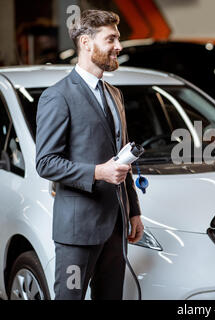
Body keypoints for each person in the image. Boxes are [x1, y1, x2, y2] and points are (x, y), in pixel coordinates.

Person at [35, 10, 144, 300]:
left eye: (118, 39)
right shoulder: (57, 96)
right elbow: (45, 162)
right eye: (111, 39)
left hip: (116, 225)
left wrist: (133, 210)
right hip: (78, 231)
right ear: (86, 43)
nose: (118, 46)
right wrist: (98, 172)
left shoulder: (115, 94)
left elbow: (122, 158)